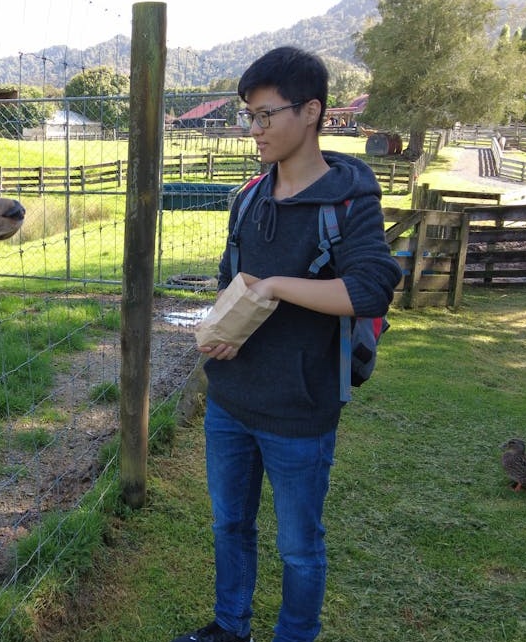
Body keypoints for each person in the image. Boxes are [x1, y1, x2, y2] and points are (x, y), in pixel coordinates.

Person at [172, 47, 402, 642]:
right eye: (249, 116)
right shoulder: (249, 196)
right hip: (229, 401)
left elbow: (371, 289)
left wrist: (275, 285)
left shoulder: (349, 200)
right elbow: (230, 279)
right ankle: (231, 627)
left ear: (312, 111)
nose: (254, 129)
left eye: (266, 115)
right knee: (229, 526)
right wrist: (225, 327)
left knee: (299, 546)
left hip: (300, 409)